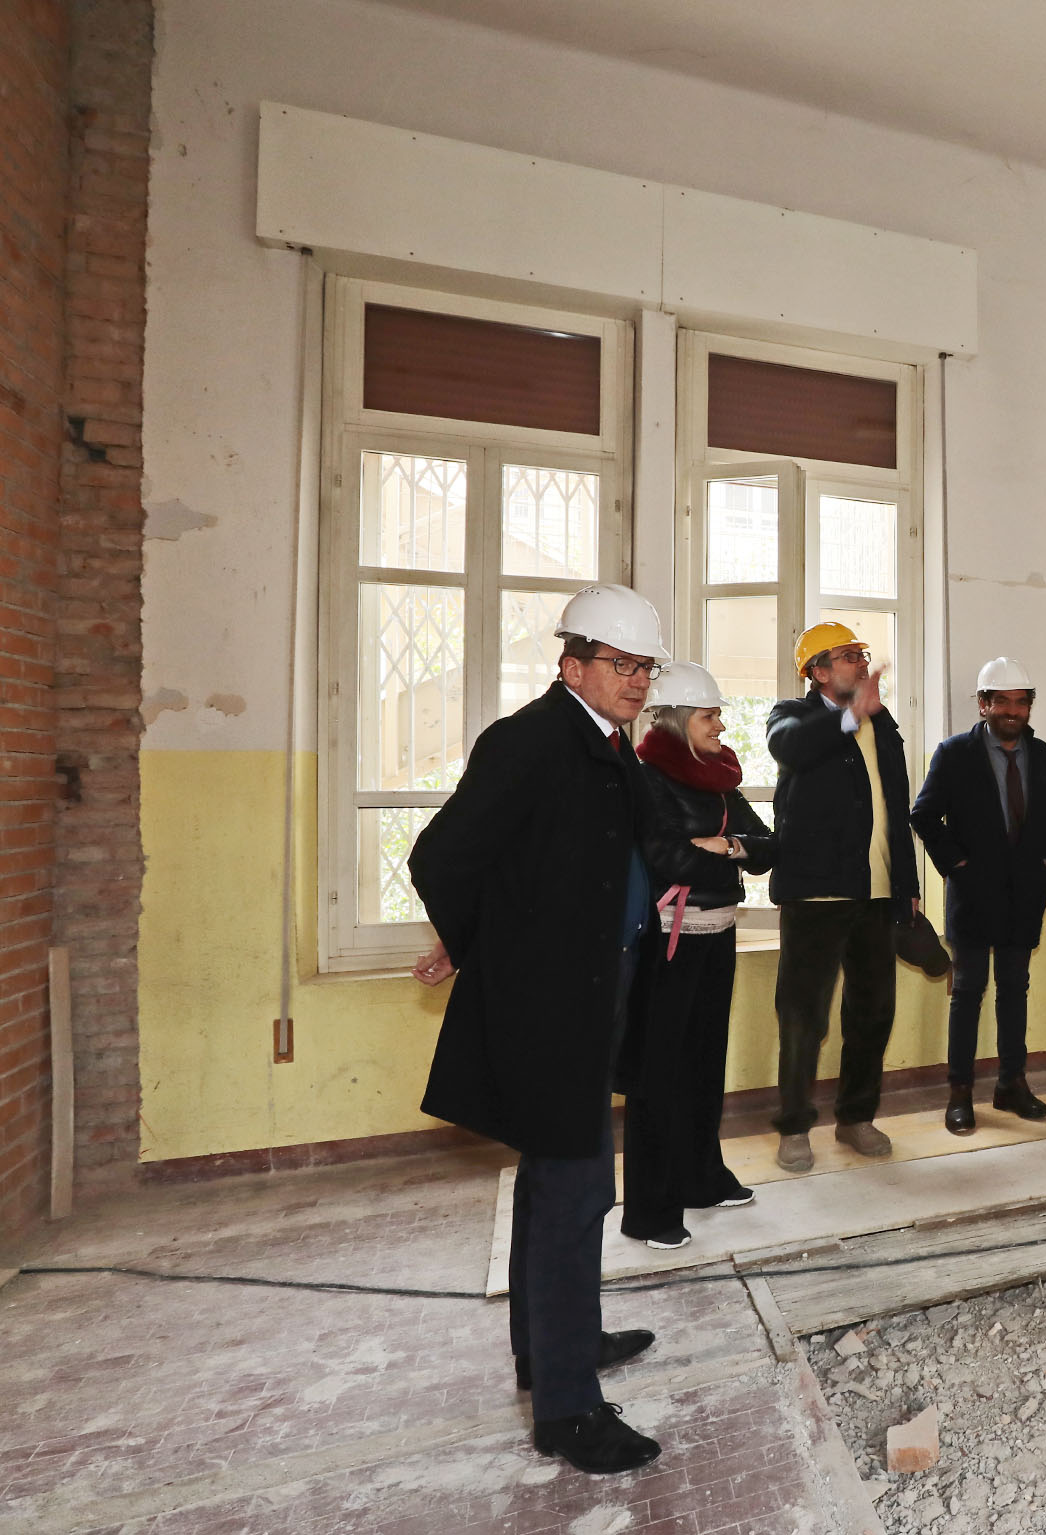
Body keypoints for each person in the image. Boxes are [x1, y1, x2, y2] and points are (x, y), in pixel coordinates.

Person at [408, 582, 671, 1475]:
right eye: (620, 663)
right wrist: (487, 952)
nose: (636, 680)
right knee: (572, 1191)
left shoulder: (605, 744)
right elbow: (442, 857)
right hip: (552, 1007)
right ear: (572, 665)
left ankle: (554, 1342)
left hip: (594, 994)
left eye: (644, 666)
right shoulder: (529, 741)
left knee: (561, 1184)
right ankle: (567, 1410)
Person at [620, 661, 775, 1251]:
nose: (720, 726)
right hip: (669, 941)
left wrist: (725, 845)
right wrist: (725, 855)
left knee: (706, 1062)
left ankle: (701, 1178)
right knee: (658, 1072)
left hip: (718, 932)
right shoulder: (646, 778)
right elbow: (667, 858)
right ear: (680, 719)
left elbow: (769, 847)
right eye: (710, 716)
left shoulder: (720, 778)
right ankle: (649, 1210)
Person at [768, 622, 922, 1172]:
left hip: (877, 895)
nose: (860, 661)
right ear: (817, 671)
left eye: (862, 653)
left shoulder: (883, 724)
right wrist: (852, 713)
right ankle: (793, 1127)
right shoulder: (792, 715)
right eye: (847, 655)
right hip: (816, 896)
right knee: (803, 1017)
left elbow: (897, 810)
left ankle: (856, 1117)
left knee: (873, 1013)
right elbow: (790, 747)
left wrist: (907, 886)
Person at [912, 657, 1046, 1132]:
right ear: (983, 704)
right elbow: (923, 815)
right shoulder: (954, 753)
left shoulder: (1042, 755)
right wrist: (957, 865)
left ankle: (1011, 1085)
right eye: (1002, 701)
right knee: (967, 992)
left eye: (1021, 702)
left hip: (1025, 897)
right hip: (973, 897)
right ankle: (960, 1093)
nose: (1012, 711)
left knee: (1015, 990)